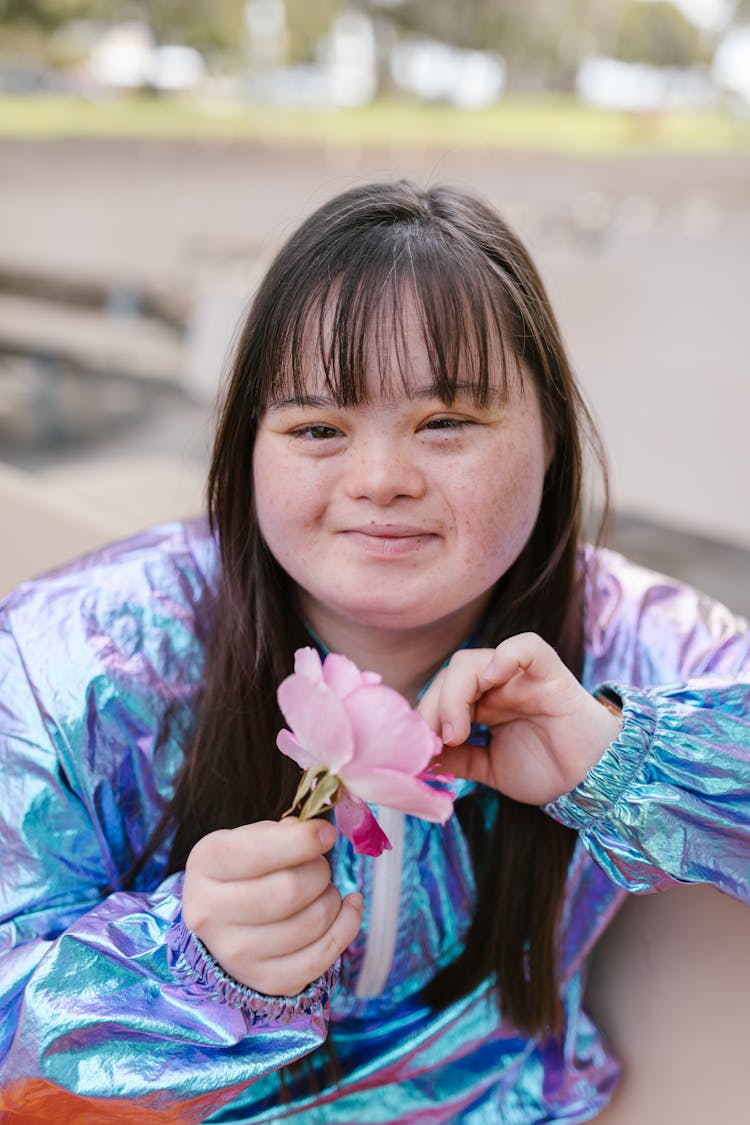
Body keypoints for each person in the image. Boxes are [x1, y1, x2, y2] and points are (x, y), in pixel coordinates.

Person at [0, 180, 748, 1124]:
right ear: (246, 448)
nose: (382, 480)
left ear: (553, 435)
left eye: (446, 424)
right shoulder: (69, 660)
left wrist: (624, 760)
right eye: (317, 428)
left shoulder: (638, 640)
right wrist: (183, 966)